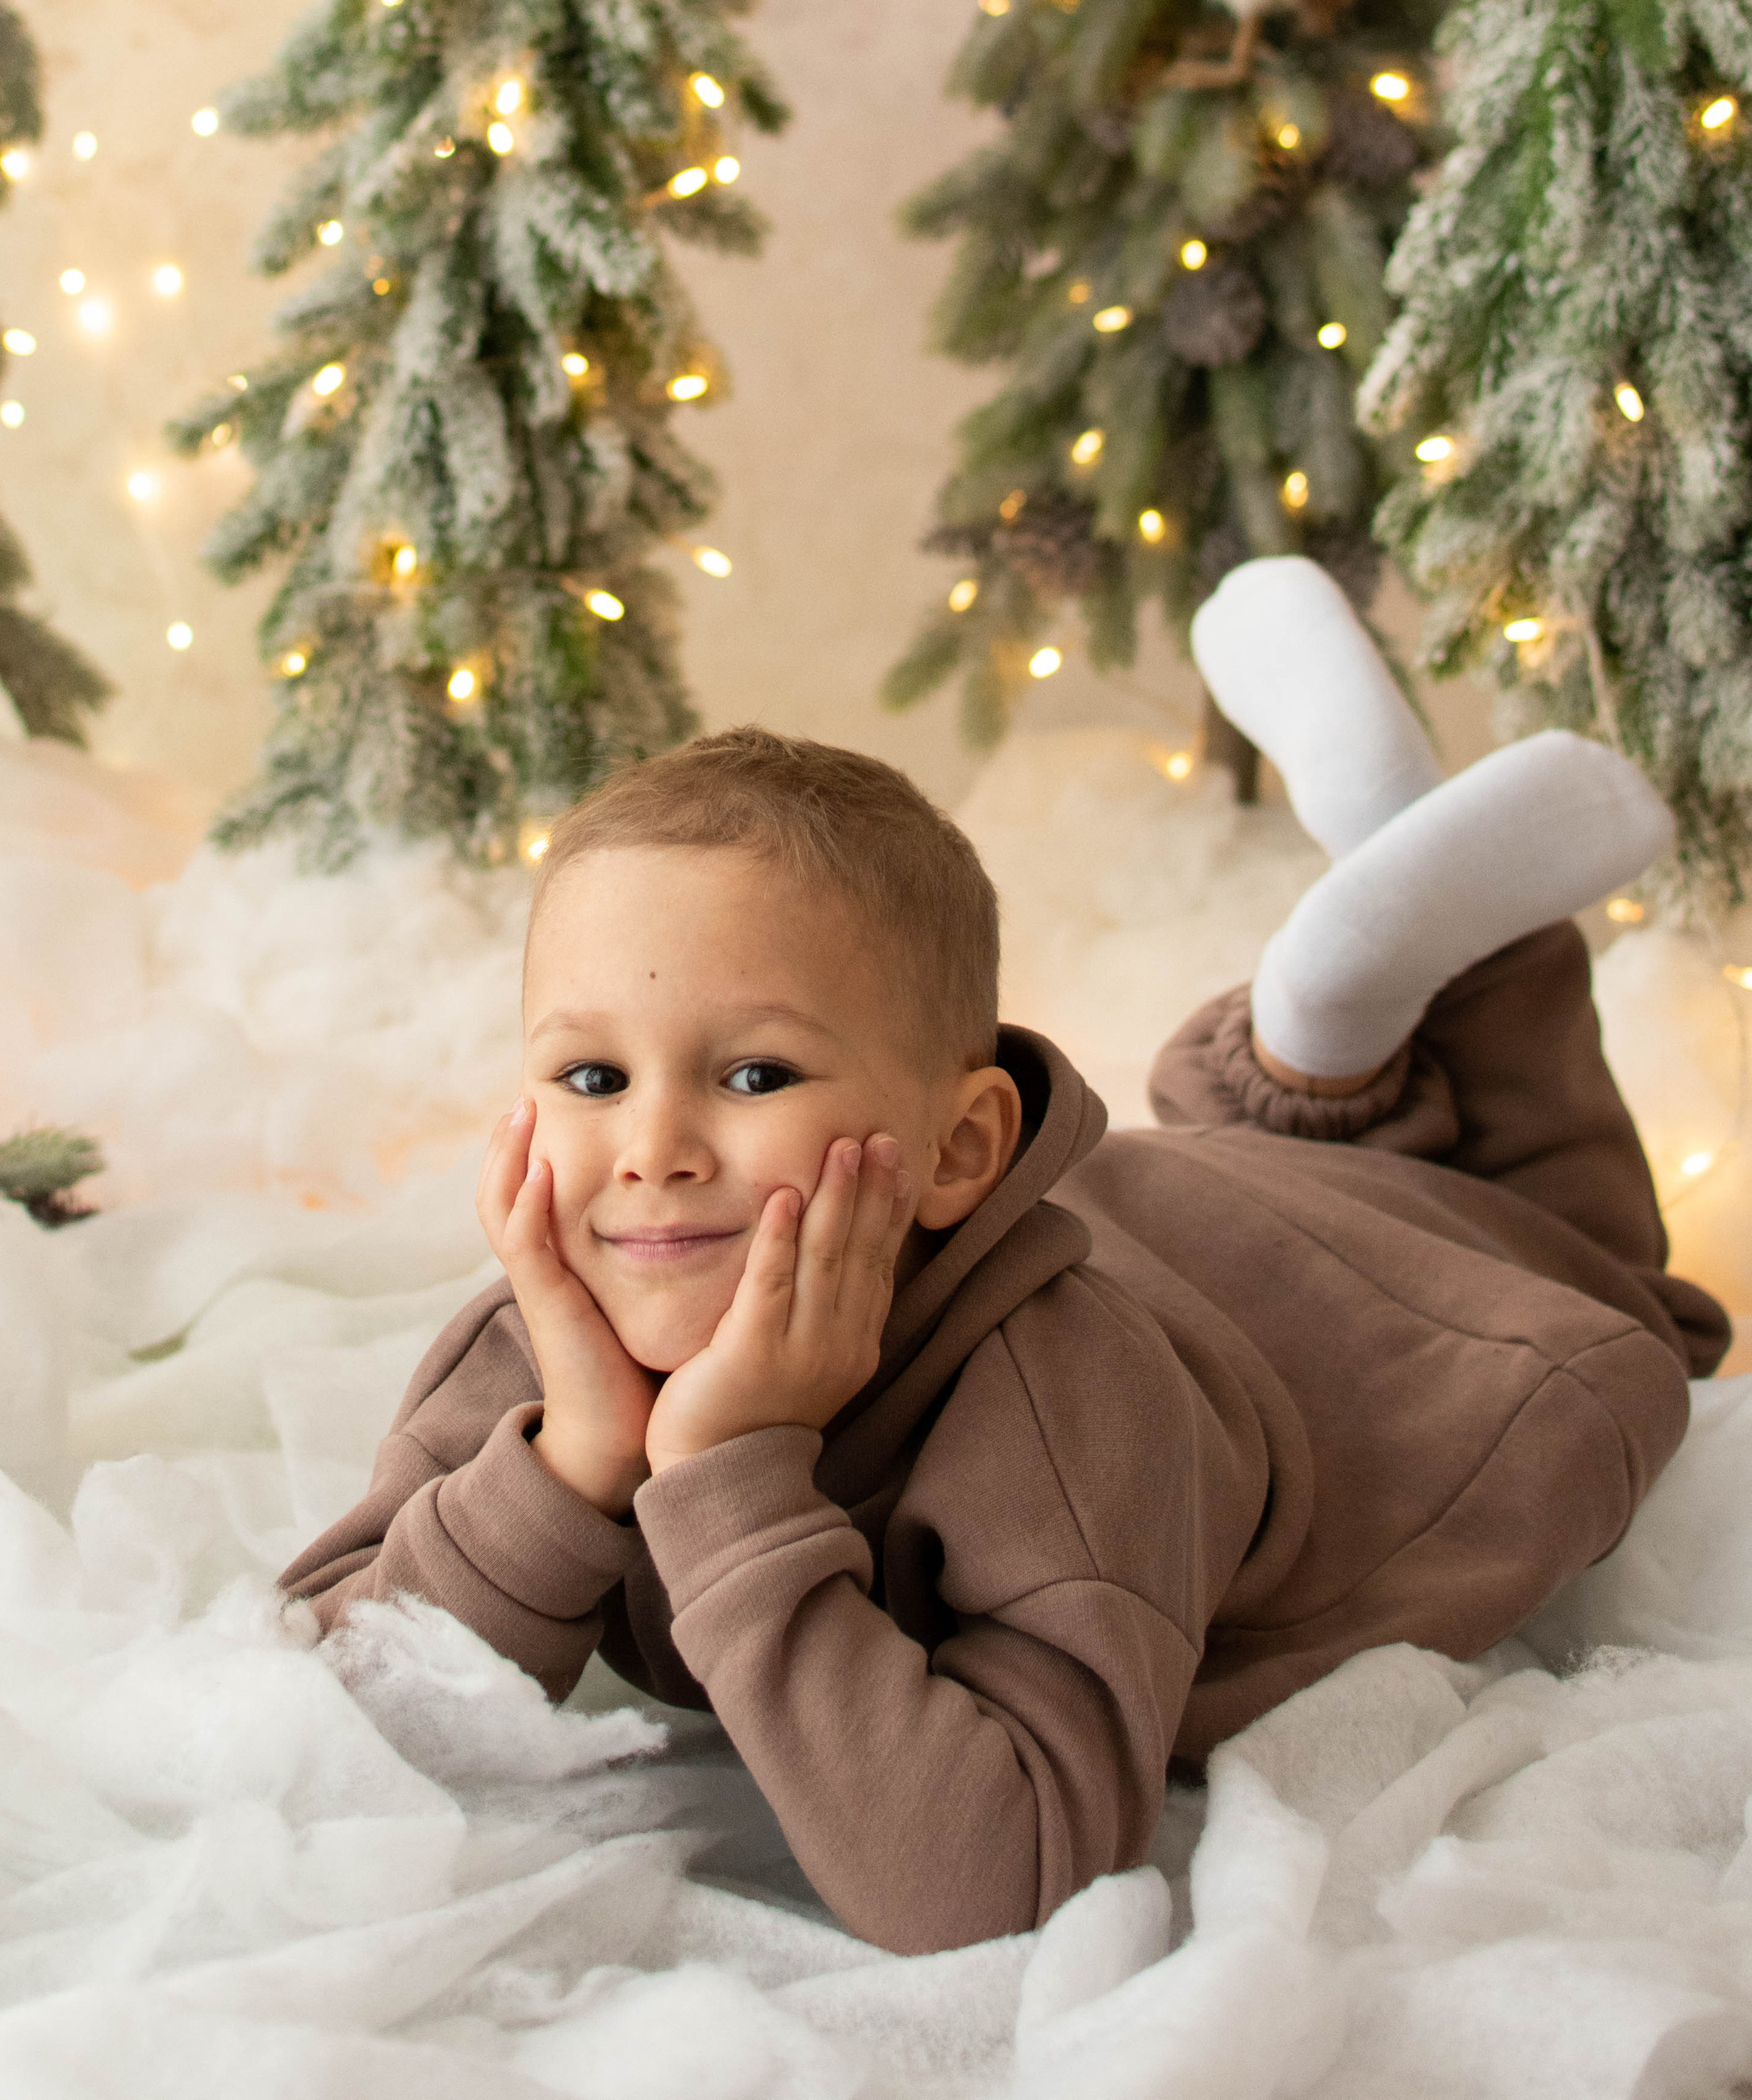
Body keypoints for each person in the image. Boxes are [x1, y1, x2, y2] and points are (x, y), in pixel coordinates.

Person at [280, 558, 1729, 1956]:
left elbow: (996, 1882)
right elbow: (336, 1718)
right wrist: (575, 1459)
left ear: (962, 1150)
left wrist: (729, 1474)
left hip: (1330, 1317)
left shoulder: (1063, 1403)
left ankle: (1448, 944)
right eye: (591, 1079)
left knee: (1586, 1265)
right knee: (1283, 1167)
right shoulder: (551, 1336)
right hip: (1168, 1212)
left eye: (755, 1076)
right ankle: (1343, 992)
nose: (651, 1149)